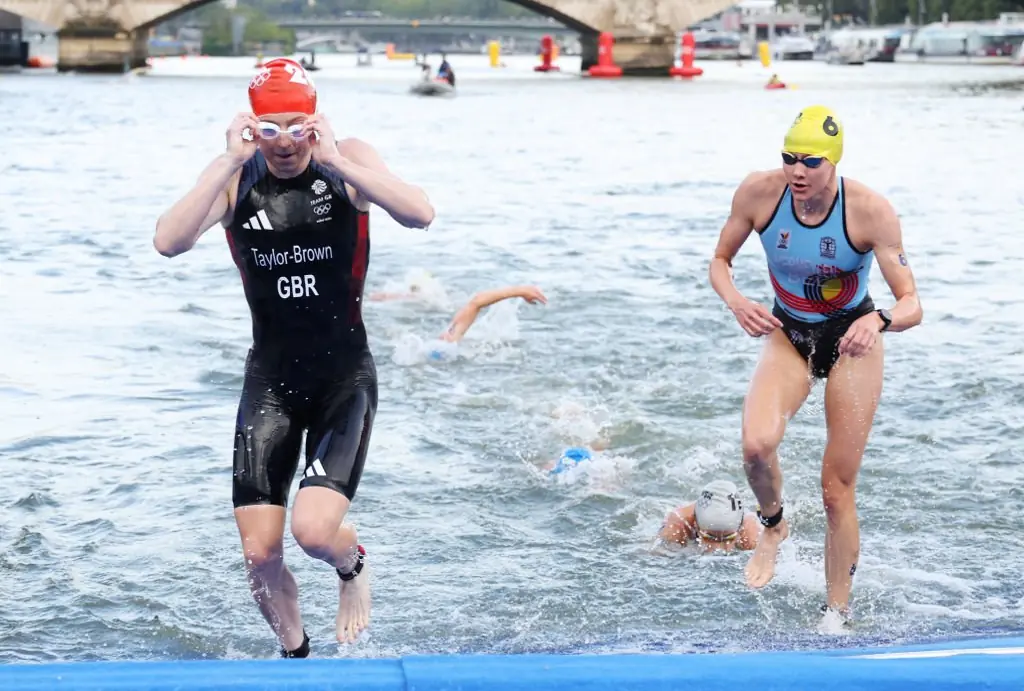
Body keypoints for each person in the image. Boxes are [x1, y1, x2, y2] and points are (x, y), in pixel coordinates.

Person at [152, 57, 435, 655]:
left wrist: (336, 159)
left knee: (311, 532)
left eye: (297, 125)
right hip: (273, 381)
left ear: (315, 120)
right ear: (251, 127)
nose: (285, 142)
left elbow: (419, 213)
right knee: (259, 554)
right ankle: (297, 656)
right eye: (269, 128)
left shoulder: (345, 158)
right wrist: (229, 160)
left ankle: (352, 564)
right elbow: (169, 242)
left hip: (343, 378)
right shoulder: (236, 175)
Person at [707, 105, 922, 619]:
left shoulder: (869, 210)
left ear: (834, 162)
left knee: (835, 489)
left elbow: (913, 302)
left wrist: (881, 322)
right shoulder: (759, 194)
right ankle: (774, 526)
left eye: (811, 162)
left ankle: (836, 615)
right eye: (790, 159)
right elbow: (720, 261)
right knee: (756, 447)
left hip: (853, 339)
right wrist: (737, 300)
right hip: (789, 333)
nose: (798, 172)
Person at [657, 480, 760, 553]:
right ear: (696, 525)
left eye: (728, 538)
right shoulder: (677, 527)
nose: (719, 548)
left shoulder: (751, 534)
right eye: (710, 537)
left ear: (740, 528)